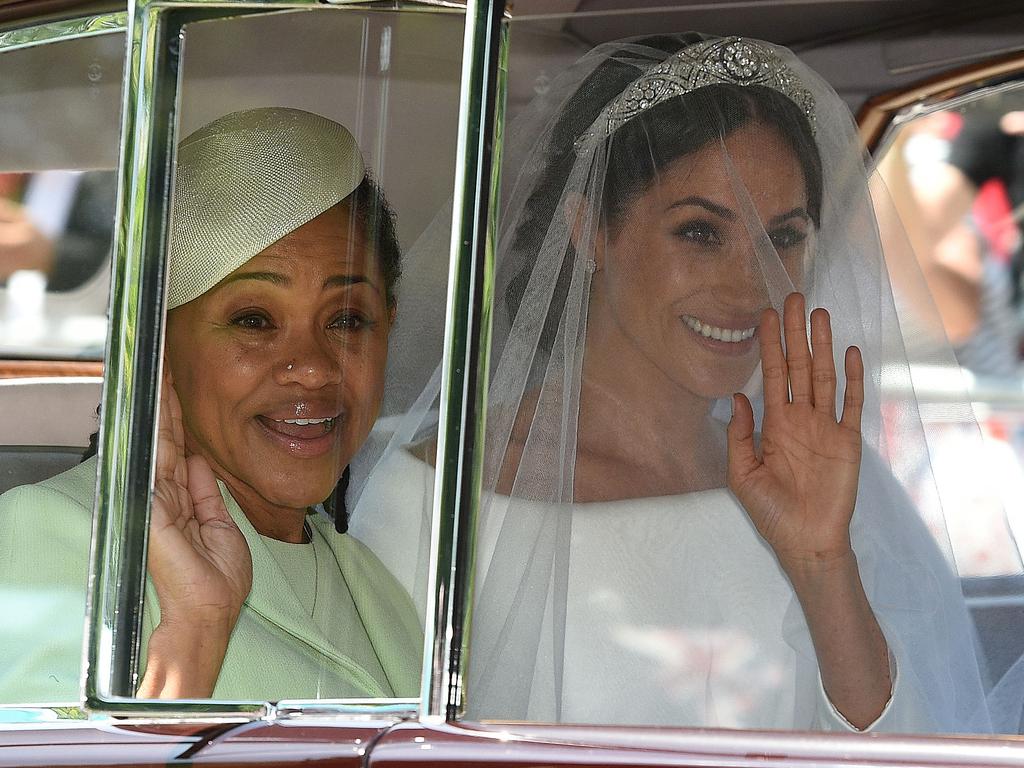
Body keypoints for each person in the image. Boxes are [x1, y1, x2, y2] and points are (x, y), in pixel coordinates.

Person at [351, 34, 1020, 733]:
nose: (752, 282)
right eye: (700, 233)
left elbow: (911, 744)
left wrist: (823, 563)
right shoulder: (436, 500)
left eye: (783, 237)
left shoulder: (832, 485)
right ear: (588, 230)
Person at [0, 107, 421, 703]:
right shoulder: (65, 536)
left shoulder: (375, 585)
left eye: (348, 320)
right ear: (158, 347)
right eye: (255, 320)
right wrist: (194, 635)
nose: (314, 368)